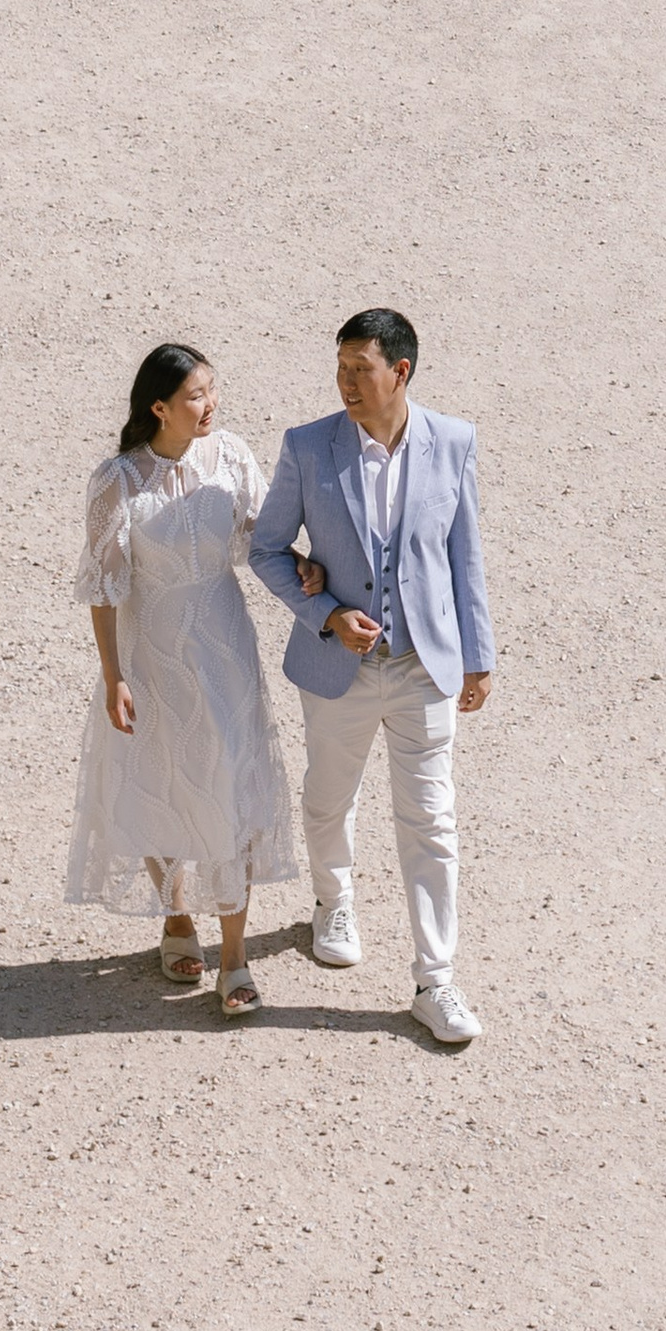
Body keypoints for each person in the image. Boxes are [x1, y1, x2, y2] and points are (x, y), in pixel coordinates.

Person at [249, 308, 495, 1050]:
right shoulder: (307, 446)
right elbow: (266, 549)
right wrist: (324, 612)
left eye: (362, 368)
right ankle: (333, 902)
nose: (347, 382)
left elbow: (465, 558)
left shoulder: (453, 442)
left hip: (425, 665)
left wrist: (478, 657)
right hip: (339, 670)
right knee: (329, 797)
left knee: (432, 822)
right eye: (341, 367)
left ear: (402, 372)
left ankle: (435, 980)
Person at [66, 343, 306, 1019]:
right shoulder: (117, 480)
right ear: (160, 407)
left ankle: (235, 957)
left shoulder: (229, 454)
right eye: (196, 395)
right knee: (159, 777)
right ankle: (175, 916)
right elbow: (103, 585)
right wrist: (113, 675)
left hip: (224, 644)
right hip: (153, 649)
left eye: (212, 390)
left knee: (230, 777)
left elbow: (262, 535)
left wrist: (305, 570)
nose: (211, 404)